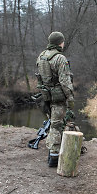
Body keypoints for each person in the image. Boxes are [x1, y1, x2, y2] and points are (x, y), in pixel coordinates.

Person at [36, 31, 75, 167]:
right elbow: (65, 81)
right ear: (60, 42)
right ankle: (54, 156)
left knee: (53, 123)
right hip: (58, 97)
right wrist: (70, 98)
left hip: (46, 96)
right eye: (62, 41)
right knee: (56, 126)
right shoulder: (60, 58)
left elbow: (39, 78)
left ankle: (51, 152)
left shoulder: (41, 56)